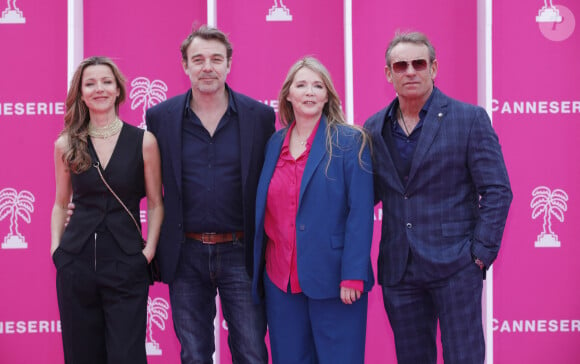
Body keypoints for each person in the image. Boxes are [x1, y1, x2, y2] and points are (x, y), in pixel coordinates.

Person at [364, 31, 513, 363]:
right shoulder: (374, 127)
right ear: (389, 74)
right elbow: (365, 195)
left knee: (464, 357)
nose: (410, 71)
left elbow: (497, 190)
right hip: (399, 270)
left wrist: (479, 256)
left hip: (457, 265)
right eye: (400, 66)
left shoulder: (468, 119)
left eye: (419, 63)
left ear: (434, 68)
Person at [145, 25, 275, 363]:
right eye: (198, 59)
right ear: (185, 66)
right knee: (194, 354)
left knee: (251, 351)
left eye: (216, 59)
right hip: (185, 253)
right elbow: (145, 178)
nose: (207, 67)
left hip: (241, 253)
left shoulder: (259, 117)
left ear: (229, 64)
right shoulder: (160, 117)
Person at [252, 56, 375, 364]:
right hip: (281, 282)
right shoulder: (273, 143)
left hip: (336, 282)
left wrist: (353, 275)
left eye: (317, 85)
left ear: (327, 95)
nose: (309, 92)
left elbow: (360, 213)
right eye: (301, 84)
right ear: (288, 95)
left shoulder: (350, 141)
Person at [50, 56, 163, 363]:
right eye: (90, 83)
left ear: (117, 91)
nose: (99, 88)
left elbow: (155, 202)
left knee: (127, 355)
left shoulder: (144, 141)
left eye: (106, 82)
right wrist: (57, 250)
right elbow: (61, 203)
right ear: (81, 93)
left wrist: (148, 251)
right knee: (81, 354)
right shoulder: (66, 144)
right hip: (76, 263)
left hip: (127, 262)